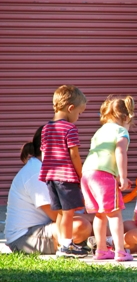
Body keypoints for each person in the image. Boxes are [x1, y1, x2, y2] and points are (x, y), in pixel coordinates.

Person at [5, 126, 92, 254]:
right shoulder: (36, 172)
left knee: (94, 223)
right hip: (24, 237)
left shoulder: (50, 170)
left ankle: (96, 242)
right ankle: (79, 243)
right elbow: (56, 215)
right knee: (81, 226)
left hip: (45, 228)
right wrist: (90, 218)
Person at [81, 95, 135, 262]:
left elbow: (105, 156)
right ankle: (120, 251)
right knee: (115, 214)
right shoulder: (121, 131)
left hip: (87, 174)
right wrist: (124, 177)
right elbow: (120, 152)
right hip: (103, 176)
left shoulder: (99, 131)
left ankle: (102, 250)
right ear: (126, 117)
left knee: (100, 214)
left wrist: (117, 176)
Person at [38, 84, 89, 258]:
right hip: (66, 177)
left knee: (60, 213)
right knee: (68, 213)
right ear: (71, 108)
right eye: (79, 113)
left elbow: (44, 154)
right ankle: (67, 245)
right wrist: (81, 174)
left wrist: (46, 174)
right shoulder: (70, 129)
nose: (78, 117)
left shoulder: (46, 128)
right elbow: (74, 154)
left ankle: (62, 244)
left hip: (50, 177)